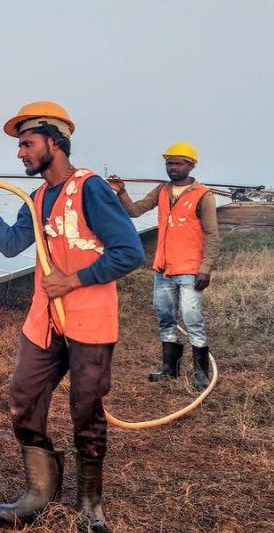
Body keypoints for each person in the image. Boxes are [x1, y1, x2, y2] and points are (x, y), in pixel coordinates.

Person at [0, 101, 145, 533]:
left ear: (54, 143)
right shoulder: (36, 198)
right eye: (20, 146)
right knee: (23, 396)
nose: (20, 153)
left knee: (86, 408)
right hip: (45, 321)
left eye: (27, 143)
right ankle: (41, 491)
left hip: (89, 321)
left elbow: (130, 253)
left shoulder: (90, 189)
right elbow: (10, 245)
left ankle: (90, 503)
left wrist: (73, 279)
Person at [107, 142, 218, 391]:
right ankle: (170, 369)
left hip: (190, 269)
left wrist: (205, 268)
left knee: (192, 319)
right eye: (169, 163)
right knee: (165, 318)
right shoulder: (162, 190)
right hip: (163, 269)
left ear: (191, 166)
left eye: (178, 163)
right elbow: (135, 211)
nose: (173, 167)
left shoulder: (203, 195)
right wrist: (121, 192)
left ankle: (201, 374)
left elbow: (212, 235)